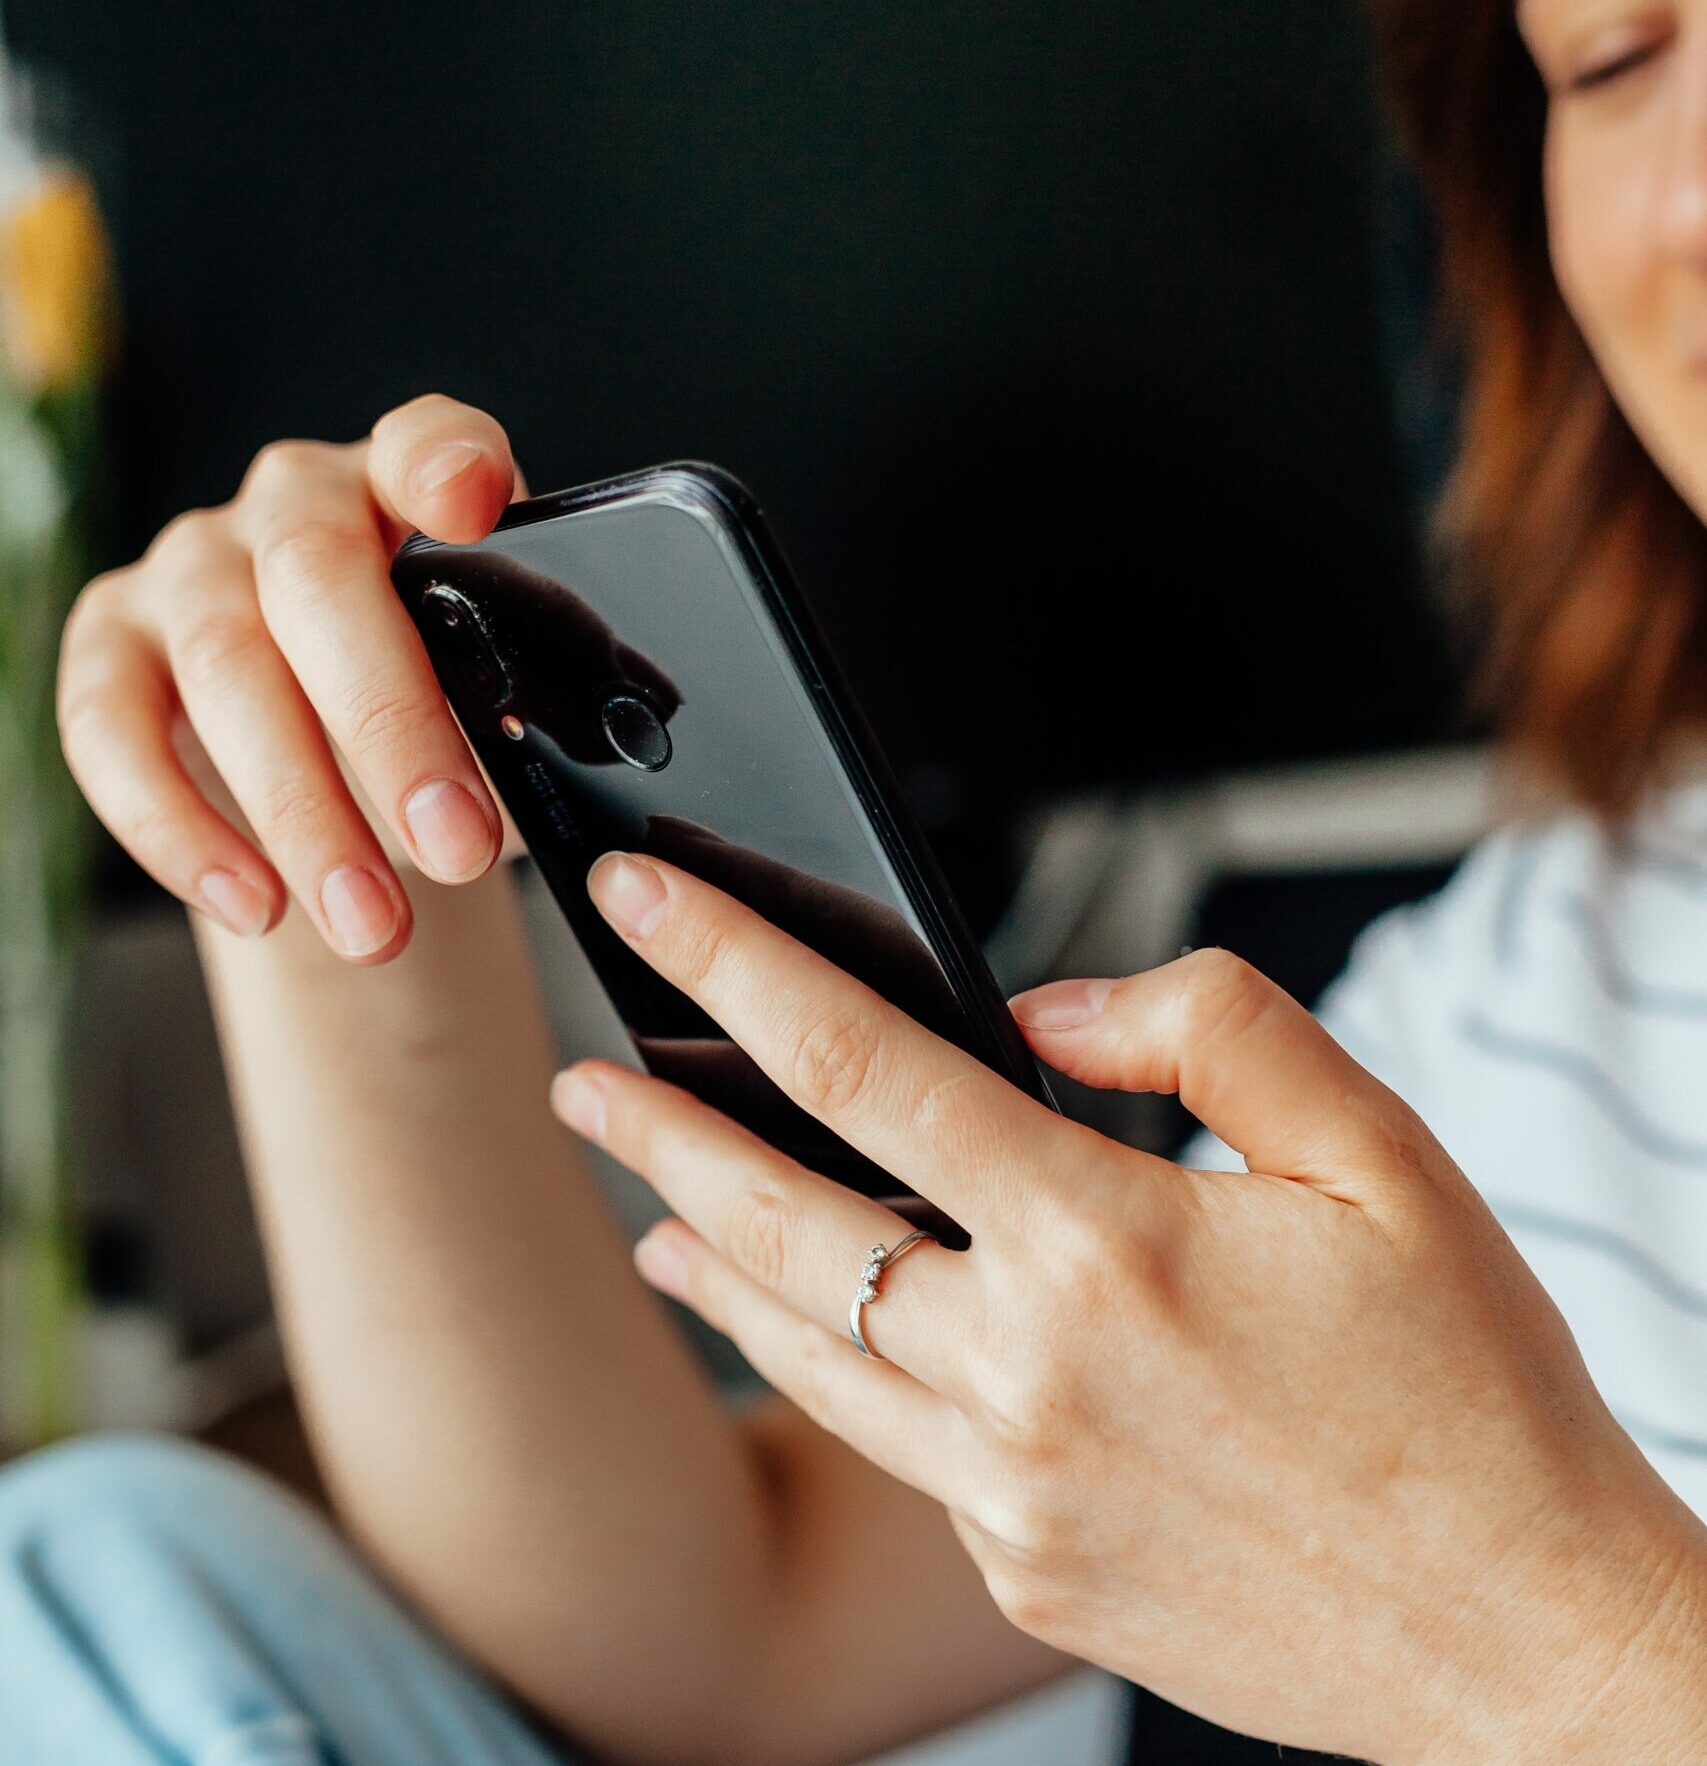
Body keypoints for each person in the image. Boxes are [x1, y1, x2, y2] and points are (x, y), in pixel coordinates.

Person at [13, 1, 1707, 1760]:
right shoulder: (1534, 969)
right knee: (87, 1577)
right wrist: (326, 838)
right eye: (1612, 64)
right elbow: (736, 1637)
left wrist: (1553, 1634)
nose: (1690, 204)